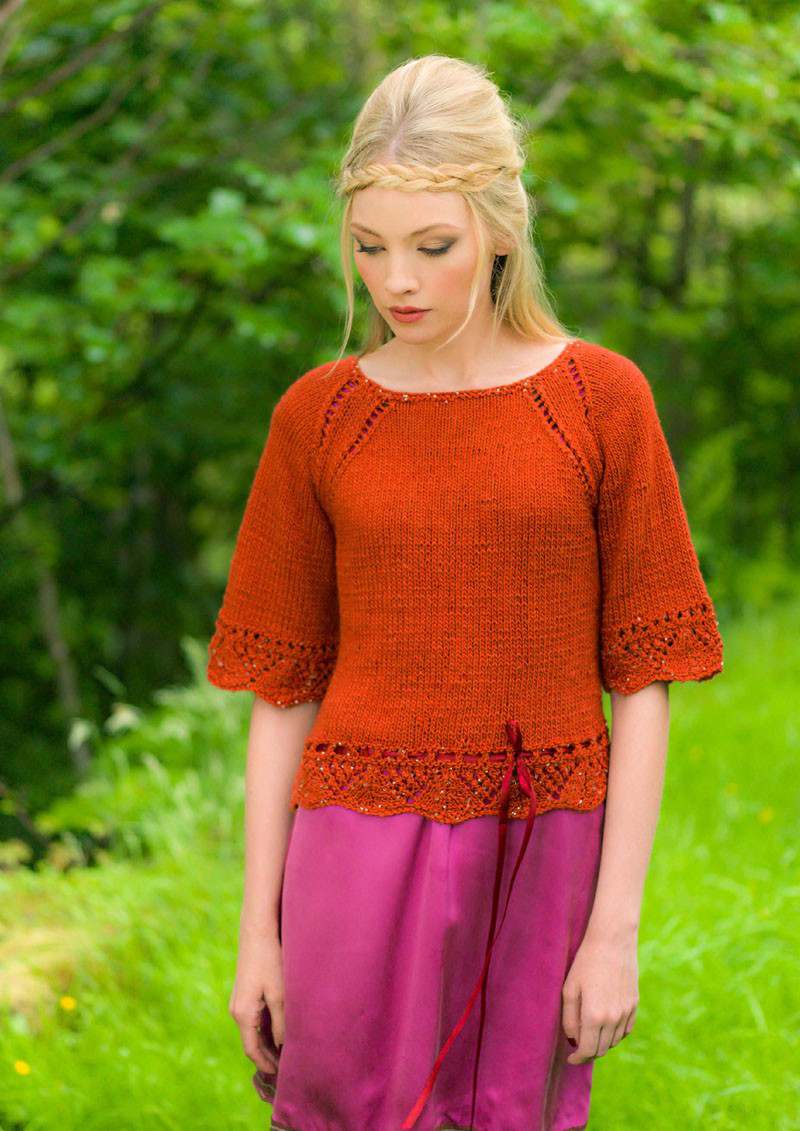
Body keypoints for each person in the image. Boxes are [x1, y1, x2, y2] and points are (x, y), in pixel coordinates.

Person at [207, 54, 724, 1131]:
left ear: (498, 230)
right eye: (368, 247)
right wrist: (259, 933)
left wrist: (613, 930)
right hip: (353, 844)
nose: (395, 280)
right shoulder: (318, 418)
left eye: (430, 246)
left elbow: (643, 681)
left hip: (540, 846)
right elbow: (282, 691)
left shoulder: (598, 401)